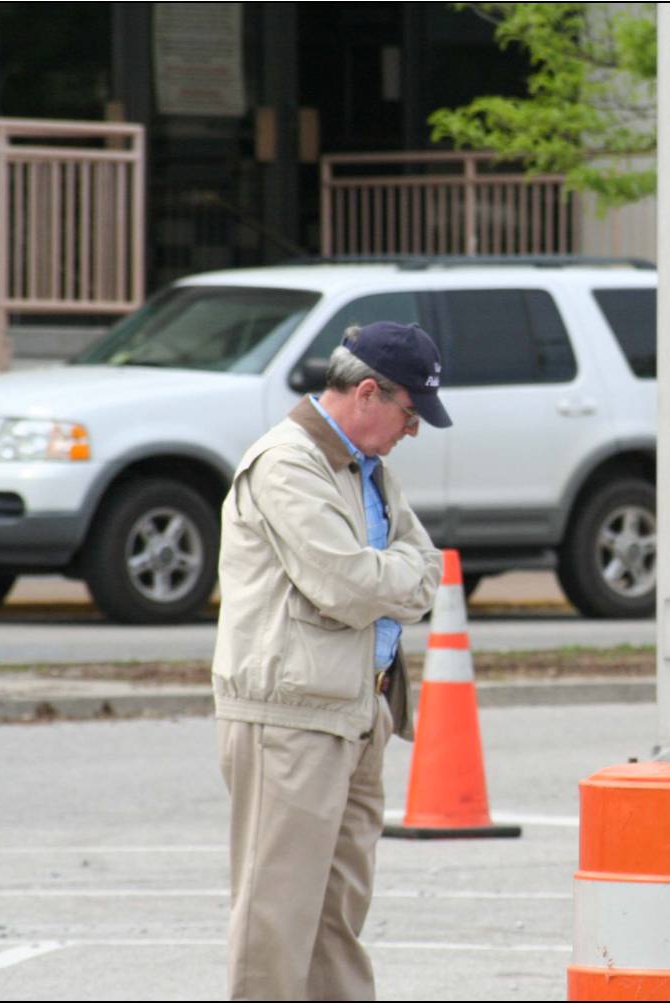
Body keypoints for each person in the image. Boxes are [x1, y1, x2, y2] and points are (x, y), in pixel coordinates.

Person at [211, 321, 449, 999]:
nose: (413, 432)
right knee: (275, 921)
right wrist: (392, 576)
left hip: (356, 708)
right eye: (410, 415)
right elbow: (346, 587)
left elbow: (427, 569)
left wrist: (389, 576)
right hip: (291, 717)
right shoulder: (287, 462)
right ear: (369, 392)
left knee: (335, 920)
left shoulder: (367, 469)